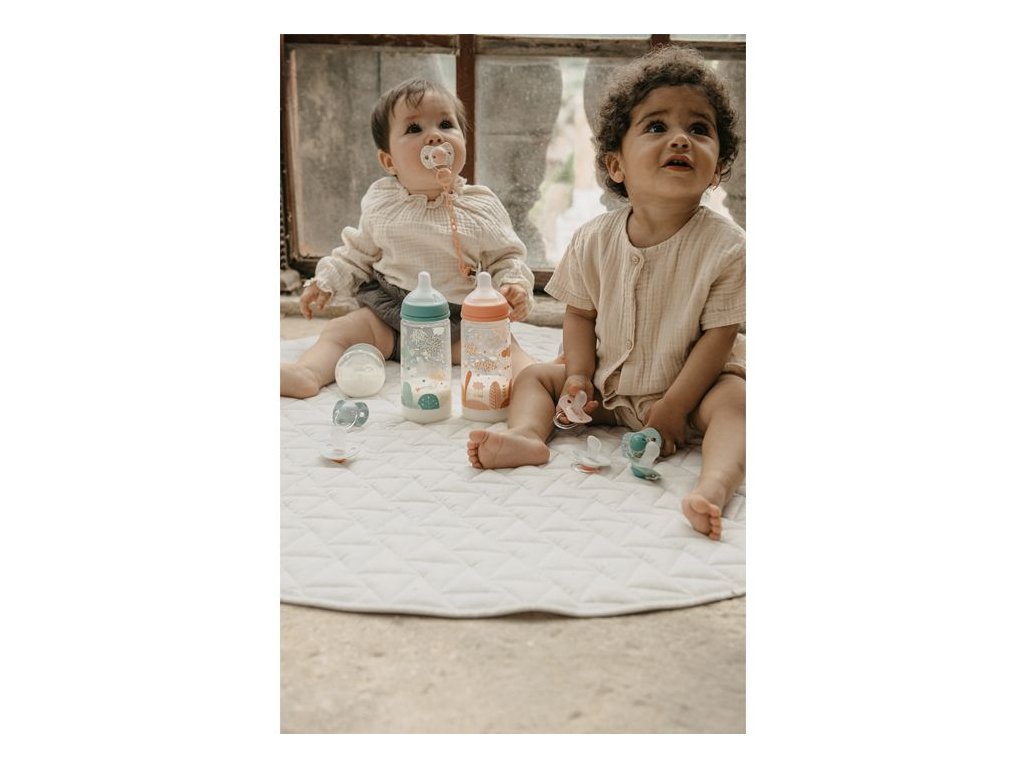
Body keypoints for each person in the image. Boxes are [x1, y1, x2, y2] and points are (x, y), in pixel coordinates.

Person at [467, 47, 745, 541]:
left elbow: (719, 337)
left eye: (699, 129)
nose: (681, 138)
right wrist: (578, 376)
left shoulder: (727, 246)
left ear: (718, 167)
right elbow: (579, 315)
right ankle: (527, 436)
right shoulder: (594, 238)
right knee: (534, 377)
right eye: (656, 126)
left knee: (738, 403)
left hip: (695, 389)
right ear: (616, 165)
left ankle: (715, 484)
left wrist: (676, 406)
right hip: (608, 385)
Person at [281, 78, 536, 399]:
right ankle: (308, 372)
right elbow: (357, 254)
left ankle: (536, 380)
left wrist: (513, 286)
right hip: (389, 316)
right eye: (414, 129)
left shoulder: (479, 205)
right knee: (341, 331)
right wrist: (326, 282)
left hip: (456, 325)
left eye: (446, 124)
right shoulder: (383, 201)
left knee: (501, 343)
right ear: (389, 162)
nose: (435, 136)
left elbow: (506, 257)